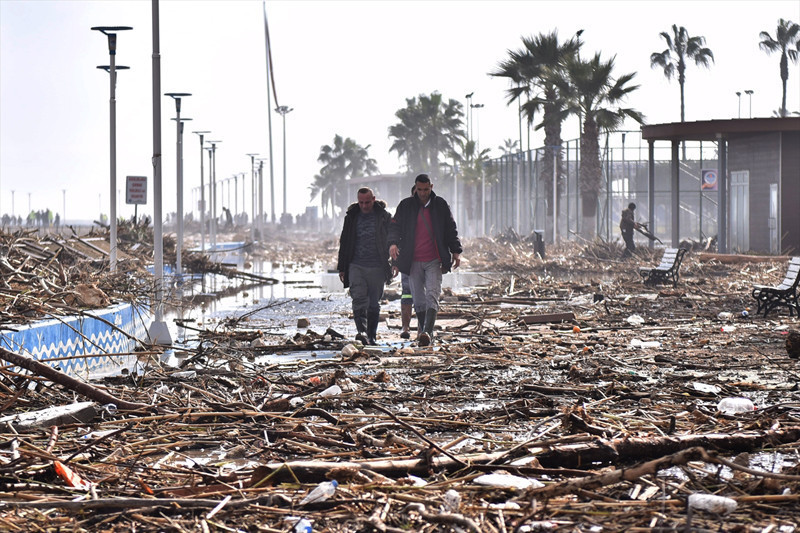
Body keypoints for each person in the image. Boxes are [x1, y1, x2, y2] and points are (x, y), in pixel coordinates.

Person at [389, 173, 462, 347]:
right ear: (415, 188)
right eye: (420, 190)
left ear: (431, 187)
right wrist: (392, 244)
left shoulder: (440, 205)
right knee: (419, 299)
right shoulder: (406, 206)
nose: (422, 193)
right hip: (412, 260)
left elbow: (451, 229)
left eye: (426, 189)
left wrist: (456, 252)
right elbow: (394, 227)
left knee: (432, 295)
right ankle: (425, 332)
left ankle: (427, 332)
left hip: (434, 259)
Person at [337, 187, 393, 345]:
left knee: (374, 303)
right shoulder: (352, 217)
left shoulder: (384, 217)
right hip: (356, 264)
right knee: (359, 298)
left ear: (373, 199)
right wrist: (342, 267)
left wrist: (395, 262)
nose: (364, 206)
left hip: (377, 265)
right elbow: (344, 242)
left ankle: (372, 335)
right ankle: (361, 332)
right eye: (361, 202)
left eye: (367, 202)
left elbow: (393, 239)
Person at [399, 185, 416, 340]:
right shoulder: (404, 211)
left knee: (425, 295)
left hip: (426, 259)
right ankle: (405, 327)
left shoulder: (432, 211)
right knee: (406, 293)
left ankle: (424, 329)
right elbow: (396, 234)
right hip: (407, 260)